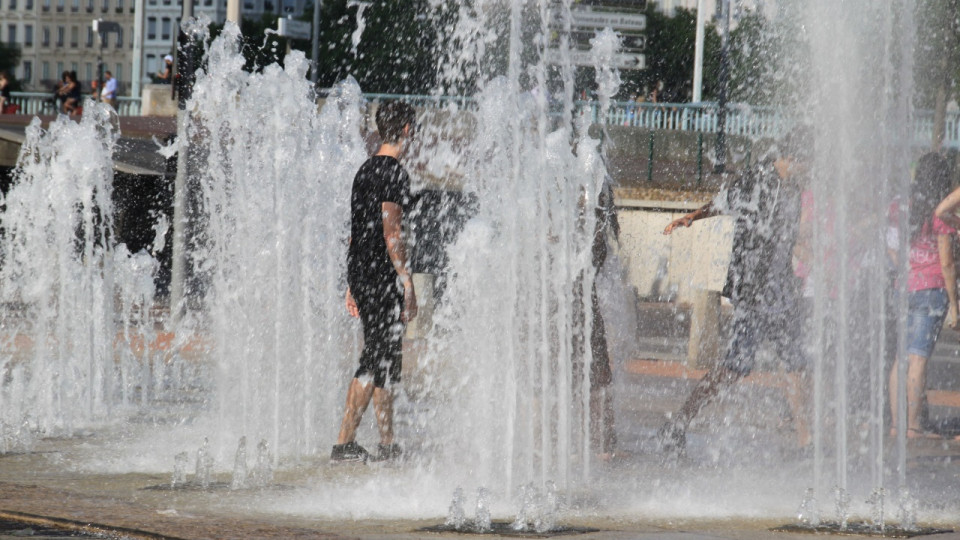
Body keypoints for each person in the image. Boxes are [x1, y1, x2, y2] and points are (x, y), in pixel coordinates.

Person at [658, 127, 813, 455]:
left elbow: (787, 240)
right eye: (807, 161)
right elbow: (722, 201)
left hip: (779, 291)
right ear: (792, 157)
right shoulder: (758, 180)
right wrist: (692, 218)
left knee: (795, 361)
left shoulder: (793, 189)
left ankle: (806, 440)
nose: (810, 168)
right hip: (755, 292)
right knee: (735, 366)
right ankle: (680, 421)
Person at [331, 100, 418, 463]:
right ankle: (344, 442)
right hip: (383, 277)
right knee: (374, 358)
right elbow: (392, 231)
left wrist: (352, 282)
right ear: (407, 130)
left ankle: (387, 443)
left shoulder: (364, 170)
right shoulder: (394, 172)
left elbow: (355, 234)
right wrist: (407, 282)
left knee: (388, 359)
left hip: (364, 274)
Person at [887, 152, 957, 439]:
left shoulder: (900, 207)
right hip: (931, 288)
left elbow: (890, 247)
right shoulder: (939, 213)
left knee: (900, 358)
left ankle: (896, 426)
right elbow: (947, 263)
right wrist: (955, 303)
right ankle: (914, 426)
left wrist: (905, 269)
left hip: (903, 287)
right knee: (918, 360)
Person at [573, 180, 620, 461]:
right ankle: (601, 440)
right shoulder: (579, 225)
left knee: (599, 373)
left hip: (585, 307)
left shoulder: (597, 227)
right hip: (571, 307)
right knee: (594, 373)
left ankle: (604, 439)